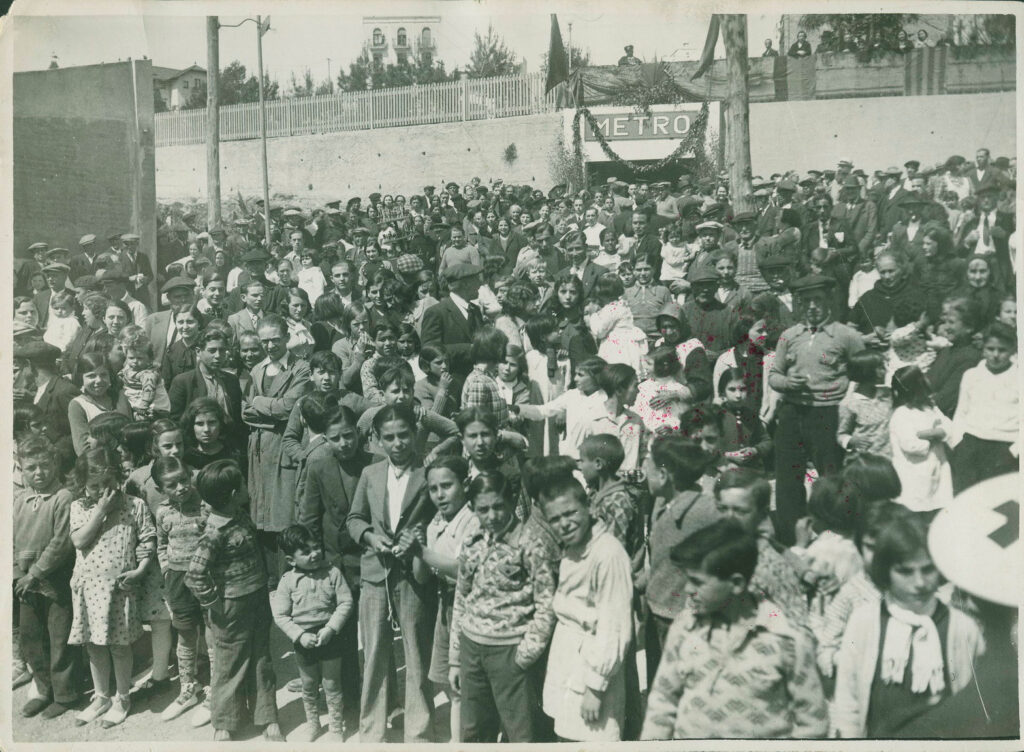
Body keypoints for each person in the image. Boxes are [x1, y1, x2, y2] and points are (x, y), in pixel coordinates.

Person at [642, 518, 828, 739]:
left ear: (737, 583)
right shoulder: (684, 627)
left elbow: (813, 725)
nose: (687, 589)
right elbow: (662, 706)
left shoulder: (787, 639)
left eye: (697, 582)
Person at [832, 512, 984, 738]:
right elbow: (848, 701)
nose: (920, 583)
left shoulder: (961, 628)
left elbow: (973, 704)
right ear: (885, 571)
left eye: (928, 569)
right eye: (905, 571)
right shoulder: (864, 622)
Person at [346, 404, 438, 743]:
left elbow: (439, 517)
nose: (397, 443)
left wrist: (419, 538)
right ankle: (372, 731)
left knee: (416, 652)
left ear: (414, 433)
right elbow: (354, 519)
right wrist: (371, 536)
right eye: (389, 438)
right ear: (377, 440)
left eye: (403, 435)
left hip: (413, 576)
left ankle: (420, 731)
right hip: (375, 574)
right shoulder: (371, 474)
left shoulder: (428, 472)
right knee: (374, 655)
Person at [449, 470, 557, 743]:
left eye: (498, 506)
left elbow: (547, 603)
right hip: (472, 649)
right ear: (473, 508)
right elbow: (461, 598)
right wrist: (455, 658)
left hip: (511, 650)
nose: (492, 515)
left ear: (511, 501)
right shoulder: (472, 542)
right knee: (474, 731)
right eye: (483, 509)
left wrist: (526, 654)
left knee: (522, 732)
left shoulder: (530, 543)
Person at [186, 460, 282, 742]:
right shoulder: (213, 532)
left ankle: (267, 717)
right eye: (242, 485)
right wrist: (214, 602)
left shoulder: (239, 514)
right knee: (230, 662)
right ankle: (225, 723)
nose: (246, 488)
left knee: (262, 656)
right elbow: (195, 574)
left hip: (257, 598)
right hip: (230, 607)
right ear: (230, 494)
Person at [769, 274, 864, 545]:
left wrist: (848, 406)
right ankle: (791, 538)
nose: (812, 306)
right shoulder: (789, 336)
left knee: (831, 478)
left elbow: (864, 373)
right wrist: (787, 382)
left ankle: (836, 536)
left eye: (817, 300)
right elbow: (774, 374)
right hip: (791, 412)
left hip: (827, 414)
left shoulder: (846, 336)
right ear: (798, 304)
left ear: (829, 301)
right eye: (806, 301)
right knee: (787, 480)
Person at [67, 446, 155, 728]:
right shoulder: (79, 507)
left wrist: (140, 569)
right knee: (94, 646)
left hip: (120, 589)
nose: (103, 493)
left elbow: (148, 540)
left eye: (109, 485)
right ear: (82, 484)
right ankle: (101, 696)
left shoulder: (134, 505)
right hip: (89, 589)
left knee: (119, 646)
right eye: (94, 487)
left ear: (118, 478)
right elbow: (80, 541)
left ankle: (122, 697)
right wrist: (100, 511)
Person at [541, 476, 633, 741]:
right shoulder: (572, 548)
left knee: (592, 739)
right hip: (569, 661)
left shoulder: (608, 554)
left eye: (570, 513)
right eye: (555, 519)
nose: (564, 523)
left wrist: (595, 687)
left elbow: (614, 626)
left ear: (590, 508)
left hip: (592, 673)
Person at [297, 404, 373, 723]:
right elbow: (310, 519)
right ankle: (348, 699)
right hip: (335, 561)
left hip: (369, 559)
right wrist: (318, 565)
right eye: (335, 438)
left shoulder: (375, 462)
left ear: (358, 431)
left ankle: (376, 698)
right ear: (326, 439)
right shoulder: (318, 465)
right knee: (340, 634)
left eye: (348, 435)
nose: (344, 443)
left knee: (371, 634)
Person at [405, 456, 480, 743]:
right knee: (449, 683)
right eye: (434, 489)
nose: (440, 495)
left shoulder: (473, 520)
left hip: (469, 608)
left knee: (464, 685)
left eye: (447, 486)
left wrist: (423, 551)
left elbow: (464, 570)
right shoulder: (435, 522)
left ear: (465, 483)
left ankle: (461, 742)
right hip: (445, 608)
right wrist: (418, 549)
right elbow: (422, 577)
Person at [640, 435, 718, 682]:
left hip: (682, 619)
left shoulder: (706, 510)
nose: (644, 473)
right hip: (658, 612)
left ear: (663, 475)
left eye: (648, 467)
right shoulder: (662, 503)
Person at [13, 433, 79, 719]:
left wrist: (36, 573)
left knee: (59, 638)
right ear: (21, 467)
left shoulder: (63, 497)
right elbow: (11, 540)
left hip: (55, 581)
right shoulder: (19, 499)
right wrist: (18, 574)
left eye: (44, 465)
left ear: (54, 462)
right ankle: (43, 689)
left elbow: (61, 543)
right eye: (31, 468)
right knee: (31, 638)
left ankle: (65, 694)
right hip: (25, 583)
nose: (39, 473)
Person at [271, 524, 354, 742]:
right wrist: (299, 635)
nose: (314, 554)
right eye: (306, 552)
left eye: (317, 547)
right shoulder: (287, 581)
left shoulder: (333, 573)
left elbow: (345, 602)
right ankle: (314, 724)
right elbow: (280, 616)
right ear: (291, 560)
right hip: (303, 640)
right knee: (308, 684)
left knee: (332, 683)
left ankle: (336, 725)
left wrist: (331, 628)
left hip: (330, 636)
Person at [151, 456, 211, 722]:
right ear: (160, 489)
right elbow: (161, 544)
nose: (180, 488)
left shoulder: (205, 504)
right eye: (171, 484)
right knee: (185, 632)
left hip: (206, 576)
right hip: (177, 580)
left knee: (212, 629)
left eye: (184, 480)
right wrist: (166, 569)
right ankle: (189, 687)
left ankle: (217, 688)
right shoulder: (162, 511)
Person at [951, 320, 1019, 492]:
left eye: (1002, 350)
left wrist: (1015, 451)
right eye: (990, 349)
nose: (995, 354)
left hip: (1005, 450)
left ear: (1013, 350)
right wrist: (958, 443)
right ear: (983, 349)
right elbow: (961, 412)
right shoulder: (971, 375)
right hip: (970, 447)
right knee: (965, 502)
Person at [889, 365, 954, 512]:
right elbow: (910, 444)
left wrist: (928, 433)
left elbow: (949, 428)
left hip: (937, 466)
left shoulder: (930, 407)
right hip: (914, 471)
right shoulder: (902, 413)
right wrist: (935, 433)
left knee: (936, 504)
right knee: (916, 507)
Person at [421, 263, 485, 380]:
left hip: (478, 380)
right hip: (452, 382)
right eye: (476, 279)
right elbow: (429, 351)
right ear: (464, 284)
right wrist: (470, 349)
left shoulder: (475, 310)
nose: (480, 284)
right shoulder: (436, 312)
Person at [68, 351, 134, 456]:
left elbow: (131, 433)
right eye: (91, 376)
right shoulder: (78, 405)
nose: (98, 380)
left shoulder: (120, 397)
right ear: (81, 378)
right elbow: (83, 449)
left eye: (103, 375)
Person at [838, 349, 893, 458]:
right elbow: (841, 434)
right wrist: (851, 440)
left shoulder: (888, 394)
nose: (886, 371)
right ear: (868, 371)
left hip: (891, 458)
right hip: (866, 461)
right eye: (881, 367)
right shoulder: (849, 404)